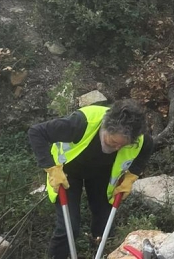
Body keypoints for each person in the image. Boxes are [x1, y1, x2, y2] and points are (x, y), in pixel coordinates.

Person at [29, 100, 154, 259]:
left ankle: (100, 251)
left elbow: (147, 147)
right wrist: (52, 169)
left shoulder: (138, 138)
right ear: (106, 128)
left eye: (122, 146)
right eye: (114, 142)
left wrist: (131, 177)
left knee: (106, 226)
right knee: (69, 229)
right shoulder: (81, 122)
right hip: (67, 173)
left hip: (101, 174)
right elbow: (36, 132)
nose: (117, 148)